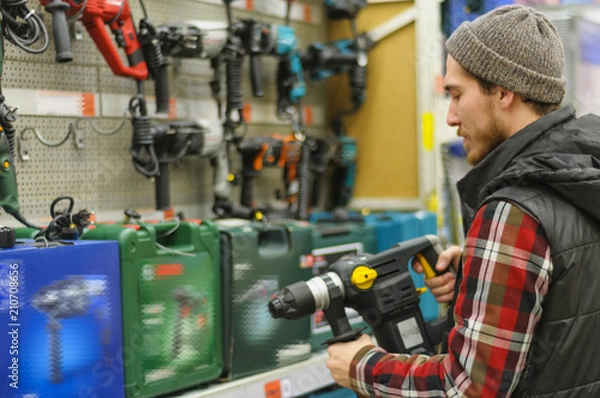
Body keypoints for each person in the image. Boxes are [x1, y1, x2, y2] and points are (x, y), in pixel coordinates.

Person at [325, 4, 600, 397]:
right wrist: (478, 282)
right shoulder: (584, 176)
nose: (451, 116)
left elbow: (468, 388)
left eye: (457, 94)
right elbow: (568, 318)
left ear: (504, 91)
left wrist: (362, 365)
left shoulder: (515, 211)